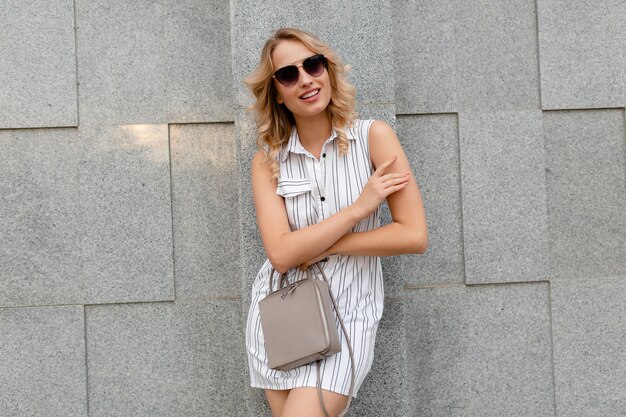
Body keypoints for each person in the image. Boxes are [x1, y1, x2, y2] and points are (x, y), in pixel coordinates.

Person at [244, 28, 428, 417]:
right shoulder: (267, 162)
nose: (306, 79)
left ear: (327, 70)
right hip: (281, 318)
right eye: (288, 74)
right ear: (277, 92)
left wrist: (328, 246)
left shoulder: (373, 138)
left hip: (348, 318)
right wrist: (358, 209)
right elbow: (280, 254)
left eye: (313, 65)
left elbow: (413, 235)